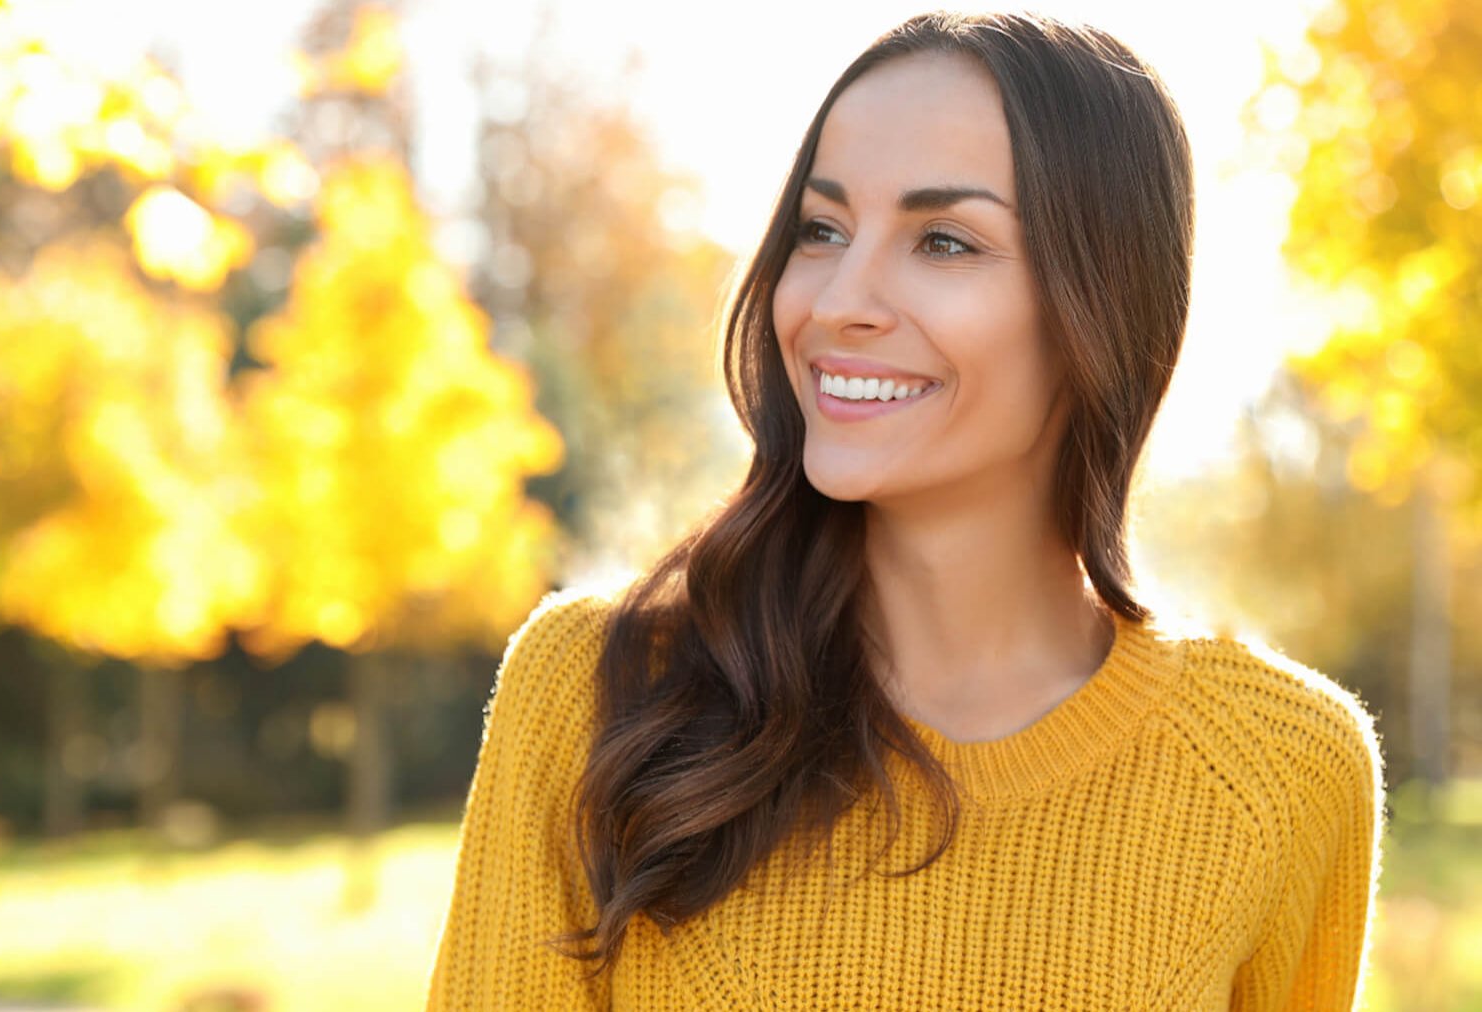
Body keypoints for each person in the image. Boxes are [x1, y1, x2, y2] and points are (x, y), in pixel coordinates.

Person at [426, 10, 1385, 1010]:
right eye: (822, 228)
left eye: (942, 240)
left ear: (1106, 306)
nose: (841, 297)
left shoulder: (1282, 770)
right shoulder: (597, 698)